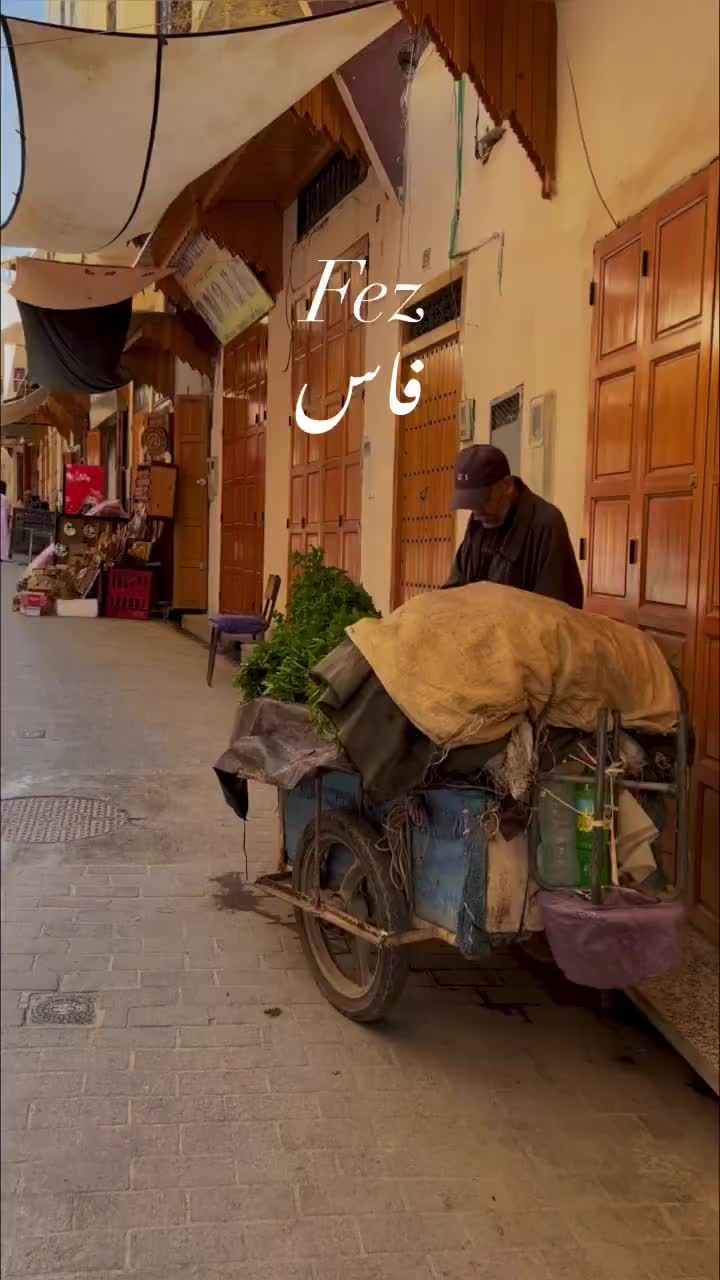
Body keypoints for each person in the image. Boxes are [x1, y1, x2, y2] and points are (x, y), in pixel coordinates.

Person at [444, 444, 583, 608]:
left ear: (508, 486)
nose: (476, 511)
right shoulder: (479, 520)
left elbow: (555, 612)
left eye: (482, 499)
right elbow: (456, 588)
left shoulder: (547, 524)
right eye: (470, 503)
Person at [0, 481, 11, 561]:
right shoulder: (5, 498)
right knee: (3, 537)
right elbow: (8, 510)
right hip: (3, 519)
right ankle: (3, 554)